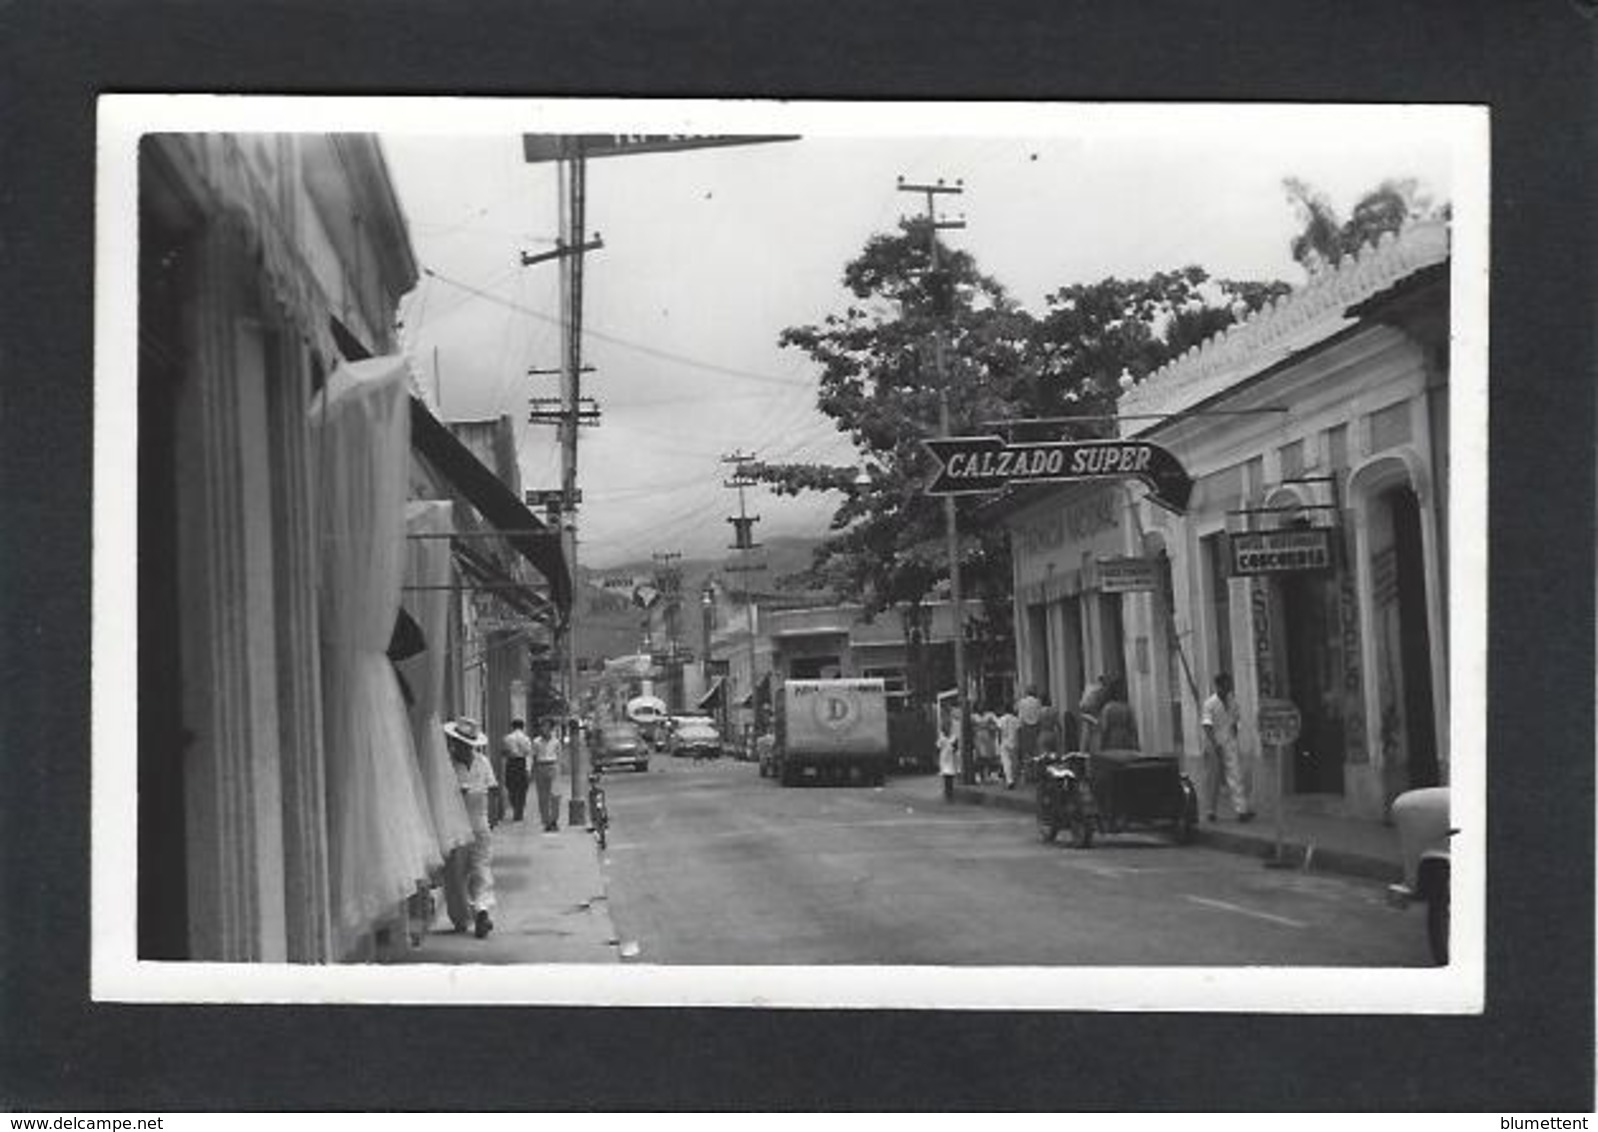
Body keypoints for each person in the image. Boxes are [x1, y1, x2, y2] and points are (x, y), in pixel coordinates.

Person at [443, 717, 497, 939]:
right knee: (465, 873)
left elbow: (493, 789)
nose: (463, 748)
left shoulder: (478, 763)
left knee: (472, 871)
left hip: (473, 825)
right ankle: (470, 913)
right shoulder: (450, 766)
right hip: (462, 826)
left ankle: (474, 913)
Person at [1202, 672, 1254, 822]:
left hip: (1229, 742)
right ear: (1218, 686)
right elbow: (1207, 725)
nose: (1228, 687)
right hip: (1214, 743)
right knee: (1213, 778)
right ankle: (1210, 810)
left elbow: (1236, 719)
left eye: (1229, 684)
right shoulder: (1209, 703)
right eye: (1225, 685)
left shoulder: (1233, 701)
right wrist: (1214, 744)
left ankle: (1241, 810)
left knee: (1236, 775)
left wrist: (1235, 733)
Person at [500, 718, 534, 822]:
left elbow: (504, 753)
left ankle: (514, 806)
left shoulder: (507, 738)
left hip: (511, 763)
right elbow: (529, 754)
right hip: (522, 763)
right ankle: (519, 811)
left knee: (511, 786)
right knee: (522, 788)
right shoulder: (526, 739)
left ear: (512, 726)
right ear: (523, 727)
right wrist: (528, 769)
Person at [533, 718, 563, 831]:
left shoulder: (556, 742)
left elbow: (559, 757)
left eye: (546, 726)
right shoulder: (536, 742)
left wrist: (558, 770)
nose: (543, 729)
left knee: (555, 795)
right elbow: (534, 756)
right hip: (541, 766)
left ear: (551, 728)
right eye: (542, 726)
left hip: (553, 766)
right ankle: (546, 822)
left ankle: (554, 820)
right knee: (543, 797)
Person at [1098, 676, 1139, 750]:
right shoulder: (1127, 708)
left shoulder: (1107, 709)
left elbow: (1104, 729)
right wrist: (1136, 745)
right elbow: (1133, 728)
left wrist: (1101, 746)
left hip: (1112, 741)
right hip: (1126, 741)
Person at [1015, 685, 1043, 782]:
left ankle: (1028, 774)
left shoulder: (1022, 702)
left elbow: (1020, 717)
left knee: (1026, 752)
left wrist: (1018, 730)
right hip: (1036, 728)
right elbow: (1040, 716)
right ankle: (1036, 774)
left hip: (1025, 728)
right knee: (1036, 751)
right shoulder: (1038, 702)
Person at [1078, 673, 1110, 754]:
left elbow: (1083, 705)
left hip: (1093, 720)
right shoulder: (1094, 690)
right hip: (1093, 720)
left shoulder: (1093, 690)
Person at [936, 706, 961, 802]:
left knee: (947, 777)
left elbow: (938, 746)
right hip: (949, 758)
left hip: (945, 758)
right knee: (950, 776)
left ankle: (948, 794)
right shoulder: (952, 738)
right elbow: (955, 746)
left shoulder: (942, 737)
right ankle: (949, 794)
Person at [996, 702, 1021, 789]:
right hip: (1014, 741)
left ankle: (1010, 780)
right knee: (1014, 762)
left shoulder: (1001, 719)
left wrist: (999, 742)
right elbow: (1019, 732)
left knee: (1006, 762)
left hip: (1004, 741)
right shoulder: (1016, 719)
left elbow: (999, 731)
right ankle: (1014, 779)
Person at [972, 703, 1000, 782]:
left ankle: (991, 775)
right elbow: (971, 728)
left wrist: (988, 727)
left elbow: (997, 725)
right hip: (978, 740)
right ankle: (979, 775)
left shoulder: (990, 715)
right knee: (979, 758)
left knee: (990, 758)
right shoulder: (973, 717)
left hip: (989, 740)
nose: (981, 708)